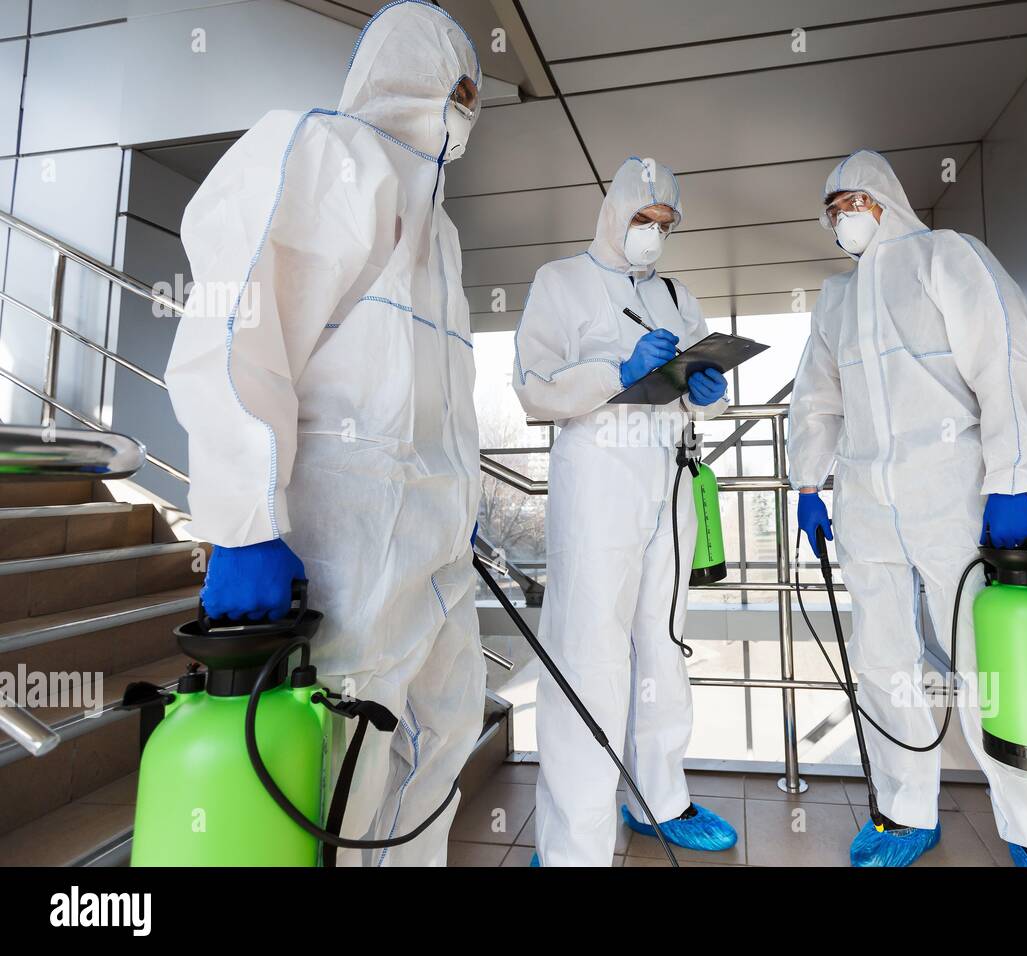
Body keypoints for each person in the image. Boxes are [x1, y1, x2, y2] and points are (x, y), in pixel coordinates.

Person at [165, 0, 485, 866]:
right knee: (335, 781)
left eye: (473, 96)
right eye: (454, 88)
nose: (464, 111)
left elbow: (438, 402)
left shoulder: (441, 233)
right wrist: (243, 526)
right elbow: (238, 340)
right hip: (339, 554)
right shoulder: (326, 153)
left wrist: (463, 501)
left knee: (436, 750)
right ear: (406, 76)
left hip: (435, 558)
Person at [787, 149, 1027, 867]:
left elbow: (1004, 360)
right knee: (882, 660)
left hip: (954, 495)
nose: (843, 219)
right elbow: (817, 398)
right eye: (832, 211)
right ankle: (903, 811)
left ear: (886, 198)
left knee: (996, 664)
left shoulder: (947, 257)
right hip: (864, 503)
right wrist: (806, 485)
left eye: (853, 202)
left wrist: (1012, 479)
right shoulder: (835, 299)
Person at [512, 157, 737, 866]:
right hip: (597, 484)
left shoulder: (675, 291)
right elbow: (533, 389)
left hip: (666, 478)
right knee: (588, 653)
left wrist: (707, 390)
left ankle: (659, 800)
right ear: (613, 213)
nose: (652, 235)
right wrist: (619, 369)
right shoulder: (561, 282)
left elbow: (708, 373)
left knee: (662, 645)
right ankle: (574, 842)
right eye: (643, 219)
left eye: (665, 224)